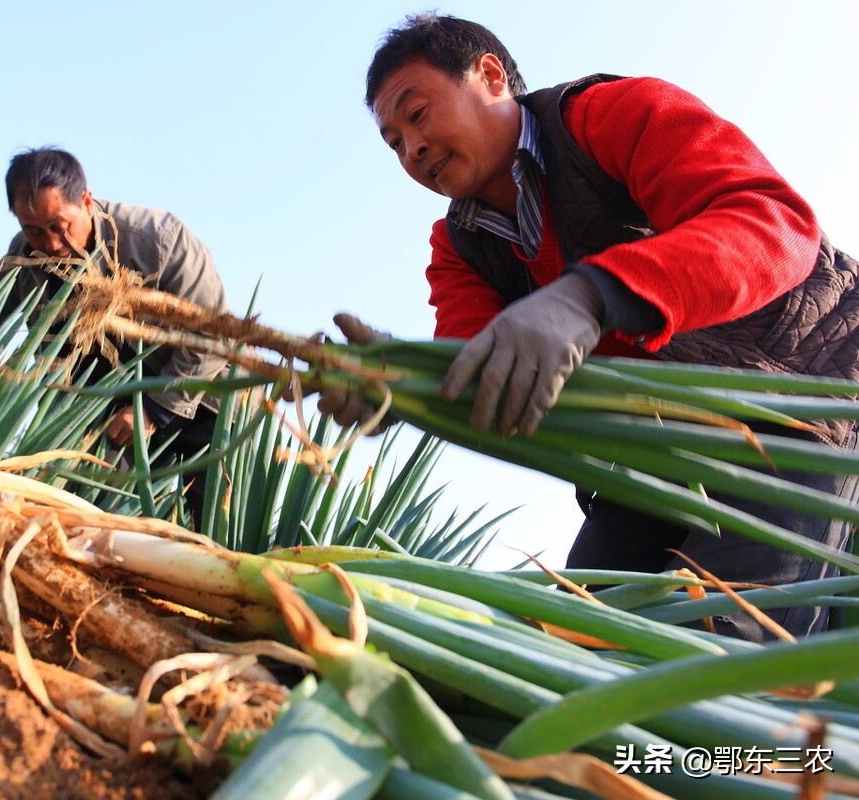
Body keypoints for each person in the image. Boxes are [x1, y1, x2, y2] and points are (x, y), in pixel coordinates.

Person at [328, 13, 859, 642]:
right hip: (649, 458)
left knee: (729, 650)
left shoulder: (608, 115)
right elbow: (478, 370)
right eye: (393, 142)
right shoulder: (458, 246)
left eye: (417, 115)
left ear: (491, 76)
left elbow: (769, 223)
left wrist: (593, 294)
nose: (410, 150)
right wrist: (406, 390)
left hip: (798, 407)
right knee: (579, 643)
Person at [0, 147, 231, 525]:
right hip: (108, 419)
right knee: (95, 523)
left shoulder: (159, 240)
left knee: (215, 524)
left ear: (86, 201)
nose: (52, 243)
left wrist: (154, 409)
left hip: (204, 403)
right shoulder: (27, 258)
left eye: (60, 225)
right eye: (33, 230)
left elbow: (214, 335)